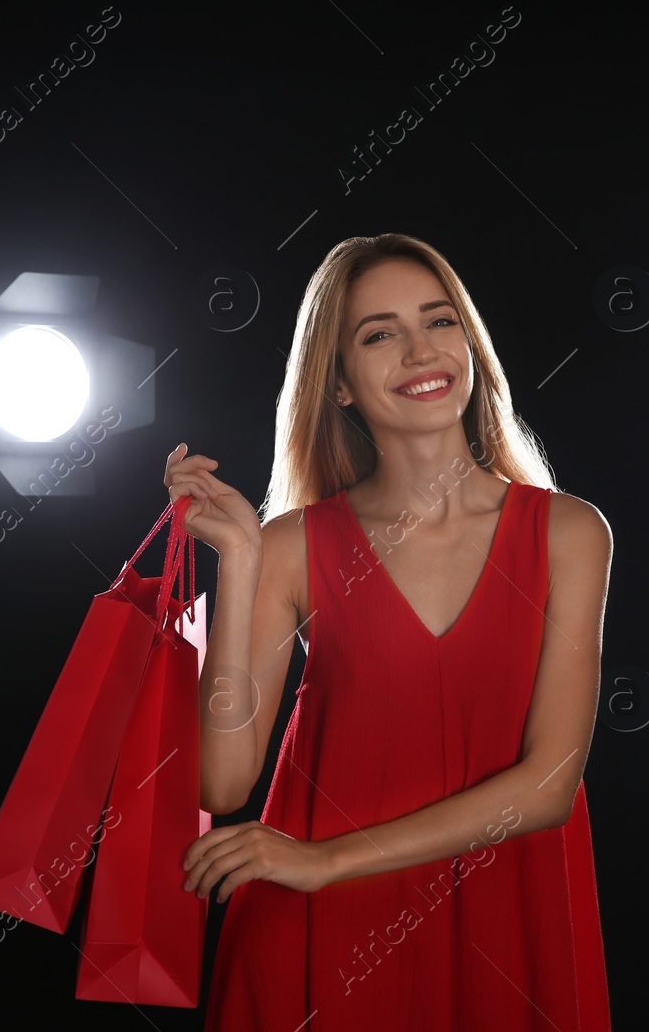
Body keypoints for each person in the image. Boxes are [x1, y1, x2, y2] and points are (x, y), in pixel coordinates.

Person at [165, 233, 612, 1030]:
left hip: (501, 924)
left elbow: (548, 787)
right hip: (314, 932)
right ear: (336, 384)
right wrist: (238, 559)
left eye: (439, 322)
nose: (419, 350)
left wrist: (321, 859)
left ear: (469, 346)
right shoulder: (292, 546)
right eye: (379, 333)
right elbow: (222, 783)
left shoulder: (570, 533)